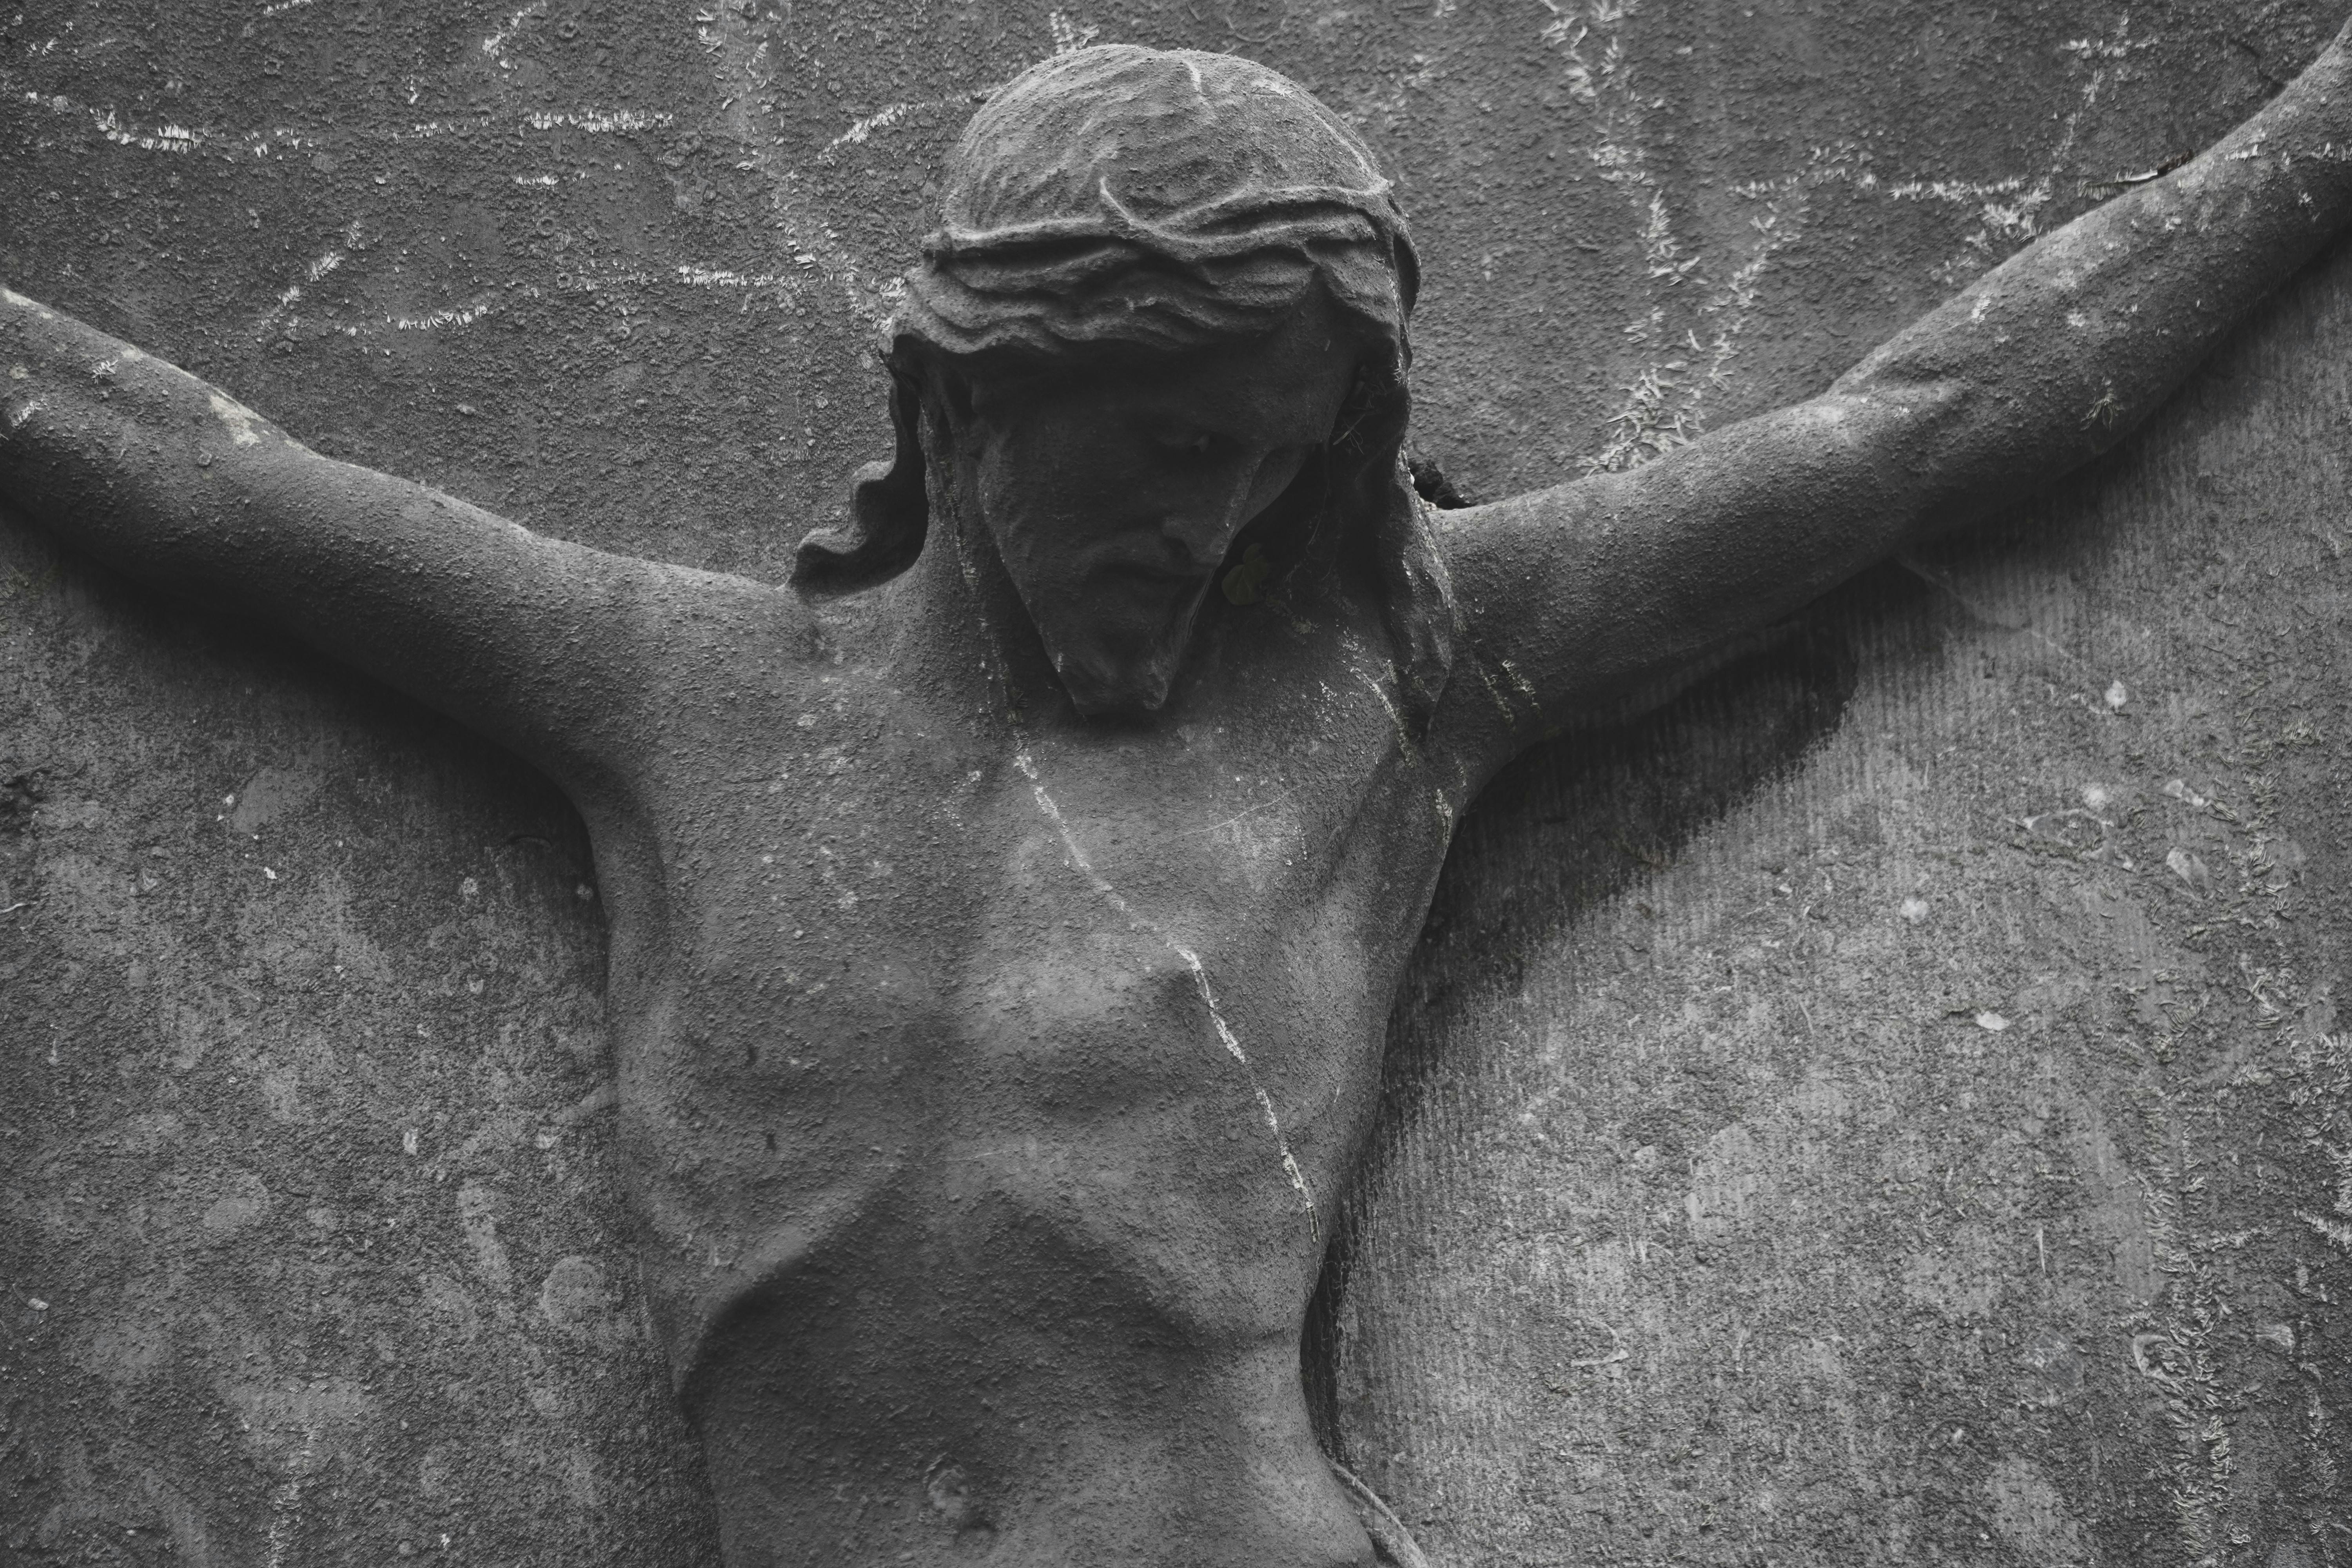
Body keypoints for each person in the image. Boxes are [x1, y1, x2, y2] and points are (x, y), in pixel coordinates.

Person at [5, 29, 2351, 1568]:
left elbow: (1950, 416)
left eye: (1258, 471)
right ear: (960, 407)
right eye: (1144, 464)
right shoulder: (669, 686)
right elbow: (187, 482)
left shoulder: (1410, 682)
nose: (1201, 535)